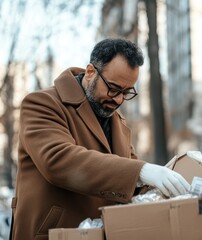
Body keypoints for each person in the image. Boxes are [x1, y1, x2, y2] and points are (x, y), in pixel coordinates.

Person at [10, 38, 190, 240]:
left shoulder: (117, 121)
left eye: (126, 92)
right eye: (113, 88)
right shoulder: (42, 103)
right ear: (90, 72)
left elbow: (131, 181)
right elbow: (57, 159)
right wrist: (142, 170)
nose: (118, 99)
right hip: (50, 234)